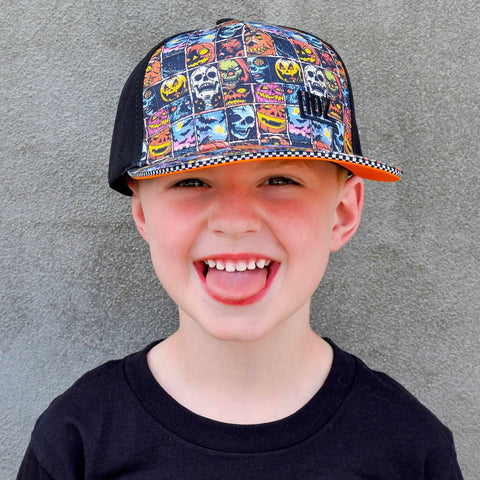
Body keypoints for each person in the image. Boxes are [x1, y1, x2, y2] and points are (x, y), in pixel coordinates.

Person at [17, 19, 463, 479]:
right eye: (192, 182)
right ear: (144, 215)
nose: (234, 221)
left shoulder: (411, 448)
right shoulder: (77, 439)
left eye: (280, 179)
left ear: (342, 213)